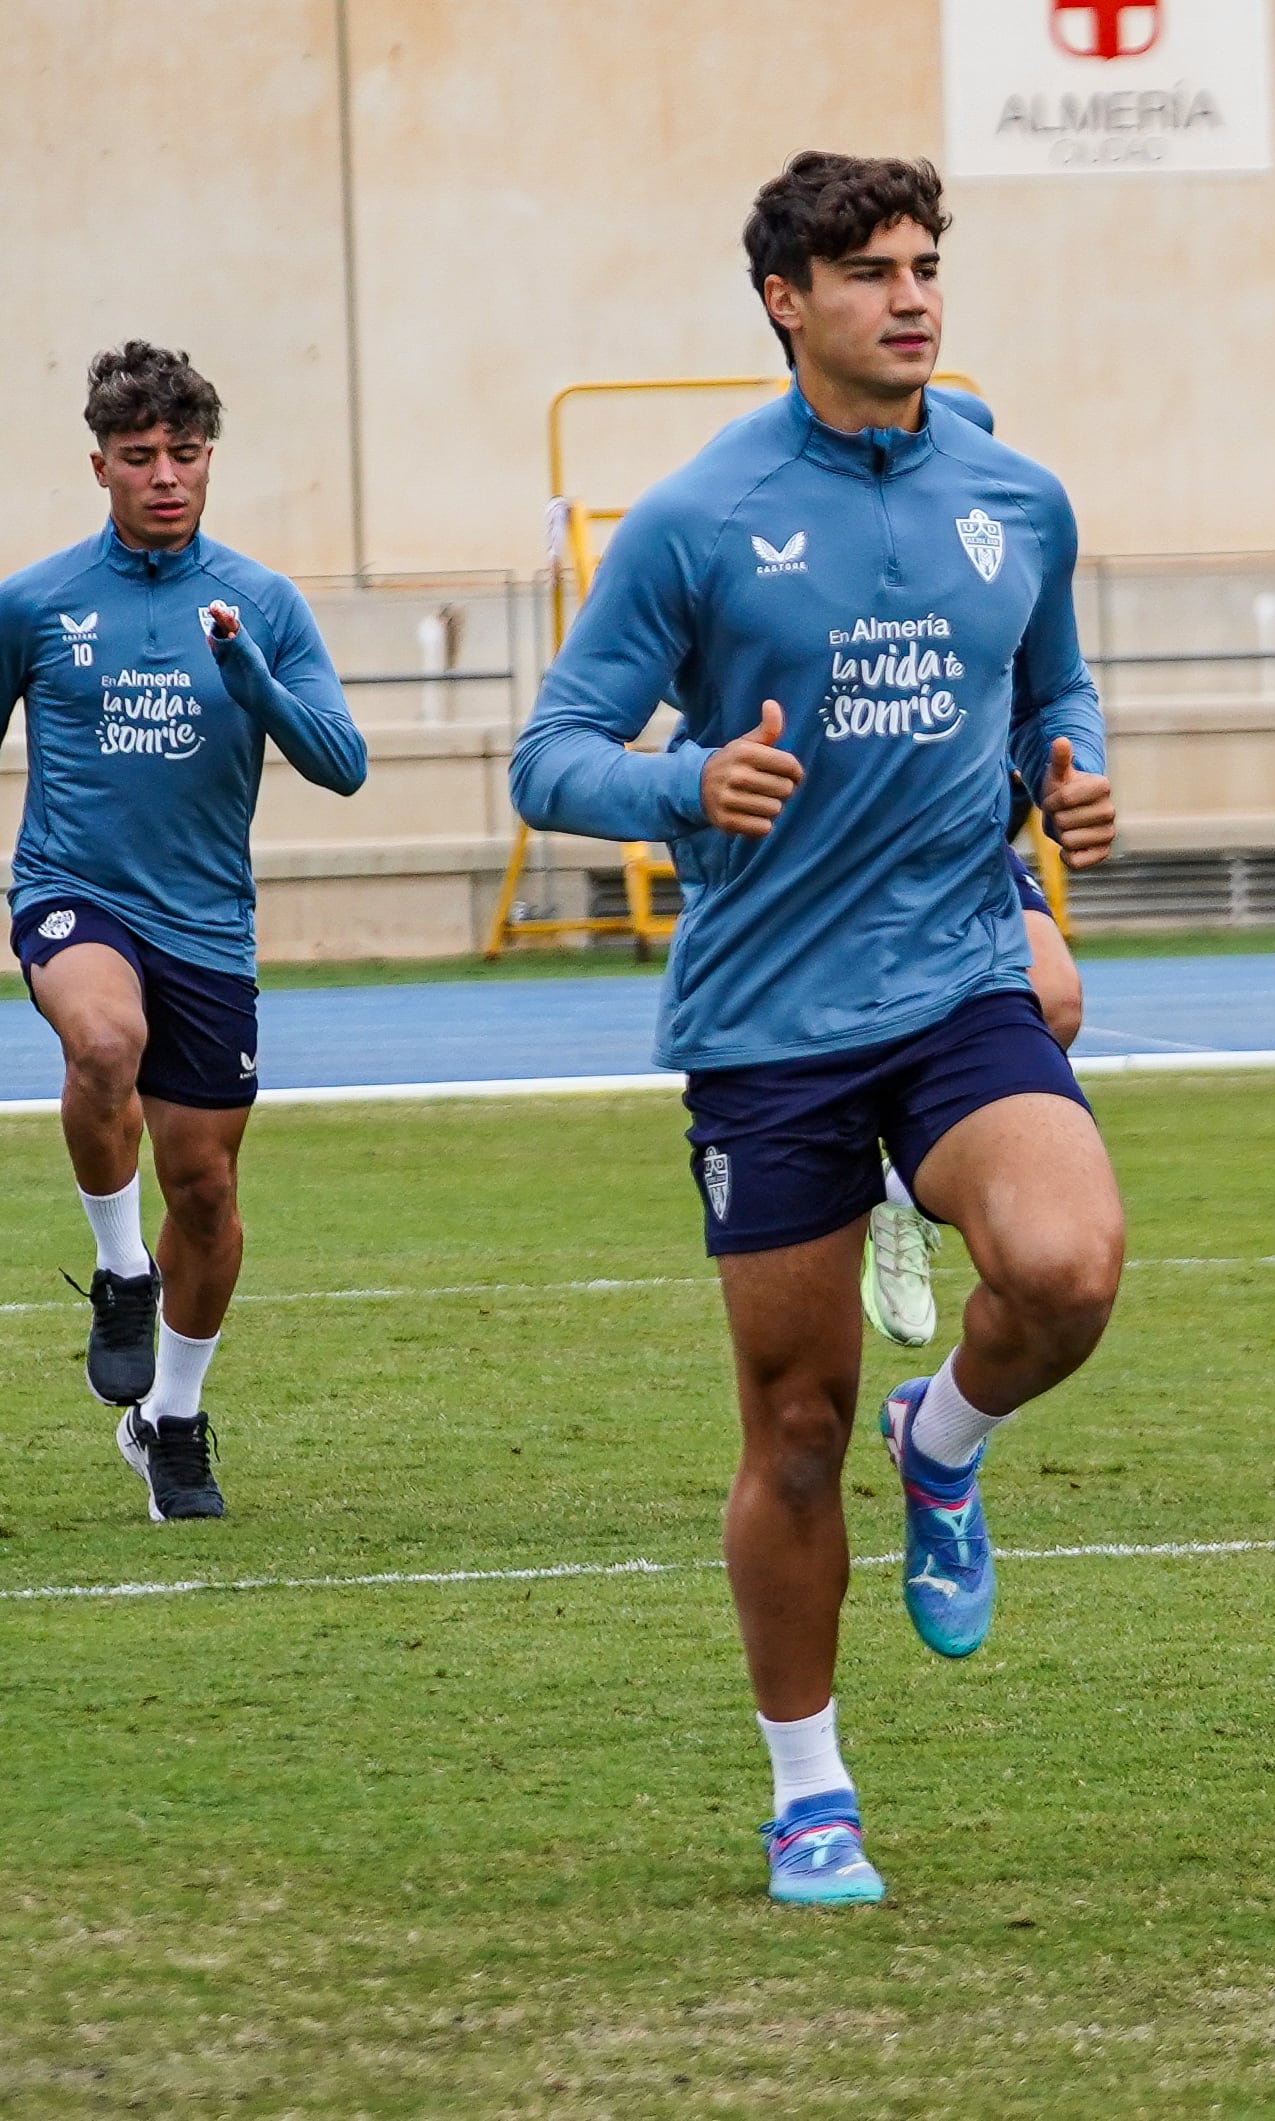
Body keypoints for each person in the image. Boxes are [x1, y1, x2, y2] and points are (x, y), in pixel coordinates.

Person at [512, 152, 1125, 1905]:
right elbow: (549, 751)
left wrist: (1067, 776)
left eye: (927, 263)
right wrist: (681, 781)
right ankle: (810, 1790)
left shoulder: (1018, 492)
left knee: (1070, 1267)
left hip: (957, 981)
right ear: (787, 299)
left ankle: (944, 1445)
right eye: (870, 270)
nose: (911, 295)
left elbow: (1052, 681)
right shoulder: (699, 518)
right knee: (791, 1425)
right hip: (770, 1017)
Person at [0, 342, 368, 1522]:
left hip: (207, 924)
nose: (166, 475)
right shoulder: (38, 601)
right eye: (141, 456)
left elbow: (345, 766)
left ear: (211, 459)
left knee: (204, 1194)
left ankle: (170, 1419)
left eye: (186, 453)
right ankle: (119, 1272)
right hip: (73, 892)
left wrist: (253, 680)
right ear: (99, 464)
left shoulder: (261, 602)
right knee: (102, 1045)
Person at [861, 386, 1084, 1348]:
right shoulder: (837, 555)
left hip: (964, 844)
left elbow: (1053, 692)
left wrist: (1068, 770)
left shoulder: (1002, 545)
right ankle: (875, 1161)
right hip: (836, 857)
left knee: (1057, 995)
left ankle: (903, 1189)